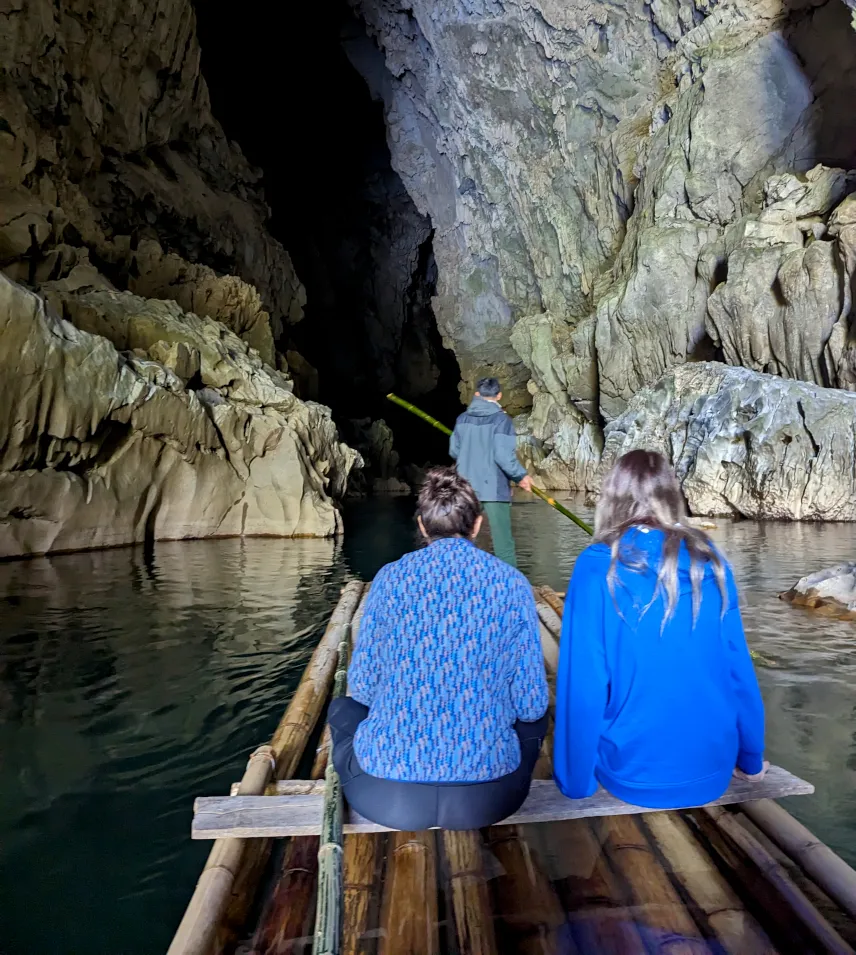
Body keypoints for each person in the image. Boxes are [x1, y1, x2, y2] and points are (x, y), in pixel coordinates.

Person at [328, 467, 549, 831]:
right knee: (537, 720)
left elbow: (364, 688)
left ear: (422, 526)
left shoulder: (390, 579)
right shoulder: (511, 584)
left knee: (342, 709)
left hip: (384, 796)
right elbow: (531, 704)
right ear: (477, 525)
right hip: (490, 797)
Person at [554, 449, 766, 809]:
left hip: (632, 773)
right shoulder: (709, 559)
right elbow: (737, 668)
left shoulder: (596, 567)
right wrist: (751, 759)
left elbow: (583, 684)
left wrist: (576, 782)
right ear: (671, 495)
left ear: (612, 498)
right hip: (712, 768)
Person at [449, 376, 533, 568]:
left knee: (464, 538)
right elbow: (503, 456)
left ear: (477, 394)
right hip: (494, 489)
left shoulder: (462, 419)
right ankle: (509, 587)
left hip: (466, 488)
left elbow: (454, 451)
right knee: (503, 544)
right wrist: (521, 476)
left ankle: (461, 579)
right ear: (499, 395)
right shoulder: (502, 420)